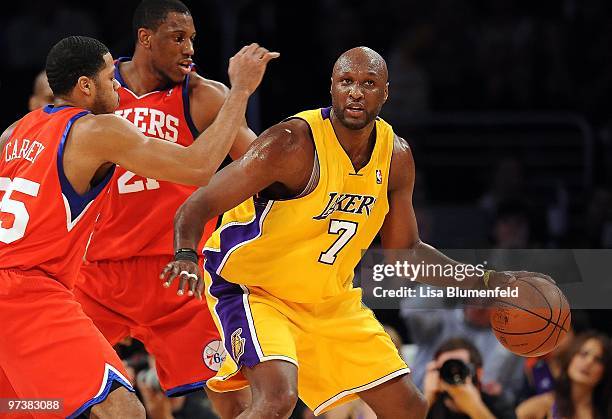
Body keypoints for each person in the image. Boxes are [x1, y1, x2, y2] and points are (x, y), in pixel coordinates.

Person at [161, 46, 548, 418]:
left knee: (409, 408)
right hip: (253, 291)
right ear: (332, 87)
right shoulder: (291, 143)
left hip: (329, 301)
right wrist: (184, 255)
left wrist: (487, 282)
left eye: (368, 83)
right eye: (346, 81)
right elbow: (199, 204)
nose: (356, 92)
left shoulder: (396, 156)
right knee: (277, 398)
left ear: (385, 93)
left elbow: (406, 254)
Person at [0, 35, 276, 418]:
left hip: (24, 291)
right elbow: (198, 166)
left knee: (21, 406)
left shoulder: (14, 133)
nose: (118, 85)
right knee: (125, 411)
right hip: (35, 292)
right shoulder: (97, 130)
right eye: (111, 77)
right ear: (85, 86)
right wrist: (241, 90)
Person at [73, 1, 257, 416]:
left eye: (192, 39)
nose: (189, 48)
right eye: (178, 38)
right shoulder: (98, 91)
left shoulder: (205, 96)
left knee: (237, 400)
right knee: (48, 386)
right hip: (98, 274)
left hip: (179, 274)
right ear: (145, 38)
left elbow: (260, 166)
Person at [516, 331, 612, 419]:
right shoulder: (546, 403)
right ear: (571, 358)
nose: (589, 362)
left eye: (599, 360)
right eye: (583, 354)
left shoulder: (606, 412)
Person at [424, 337, 517, 419]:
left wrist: (475, 408)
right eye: (446, 368)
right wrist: (426, 399)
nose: (454, 374)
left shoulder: (498, 405)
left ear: (479, 373)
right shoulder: (428, 406)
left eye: (460, 368)